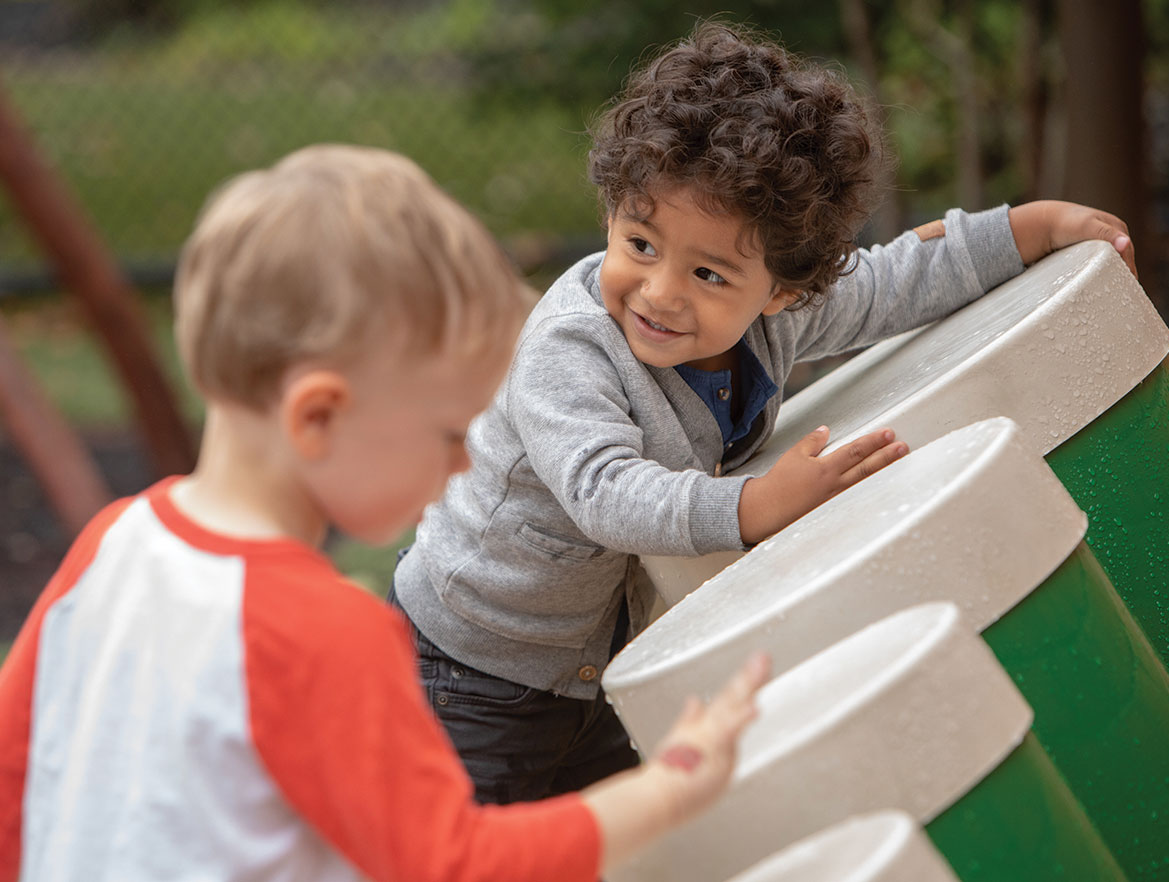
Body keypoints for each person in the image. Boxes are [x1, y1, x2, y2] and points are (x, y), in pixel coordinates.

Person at [390, 19, 1137, 805]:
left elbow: (889, 285)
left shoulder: (776, 319)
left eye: (709, 273)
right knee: (474, 855)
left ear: (783, 291)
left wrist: (1030, 230)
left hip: (589, 663)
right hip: (469, 665)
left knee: (607, 846)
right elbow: (606, 493)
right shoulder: (571, 350)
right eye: (640, 243)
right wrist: (757, 505)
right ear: (612, 212)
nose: (661, 292)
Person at [0, 144, 771, 882]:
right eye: (447, 432)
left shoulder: (113, 543)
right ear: (318, 417)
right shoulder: (324, 632)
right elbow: (449, 864)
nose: (465, 463)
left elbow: (12, 783)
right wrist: (669, 786)